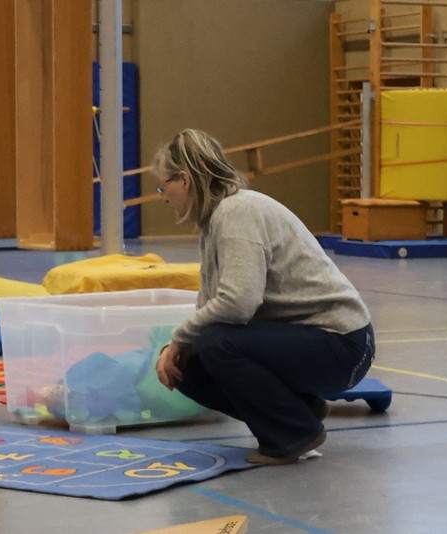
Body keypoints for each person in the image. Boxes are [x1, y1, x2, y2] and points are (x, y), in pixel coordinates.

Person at [152, 128, 375, 465]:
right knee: (188, 364)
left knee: (216, 344)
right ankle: (300, 411)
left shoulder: (236, 212)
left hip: (343, 344)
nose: (163, 196)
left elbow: (238, 303)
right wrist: (176, 348)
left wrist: (180, 337)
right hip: (311, 340)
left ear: (183, 180)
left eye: (163, 186)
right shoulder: (214, 221)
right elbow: (210, 301)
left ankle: (292, 434)